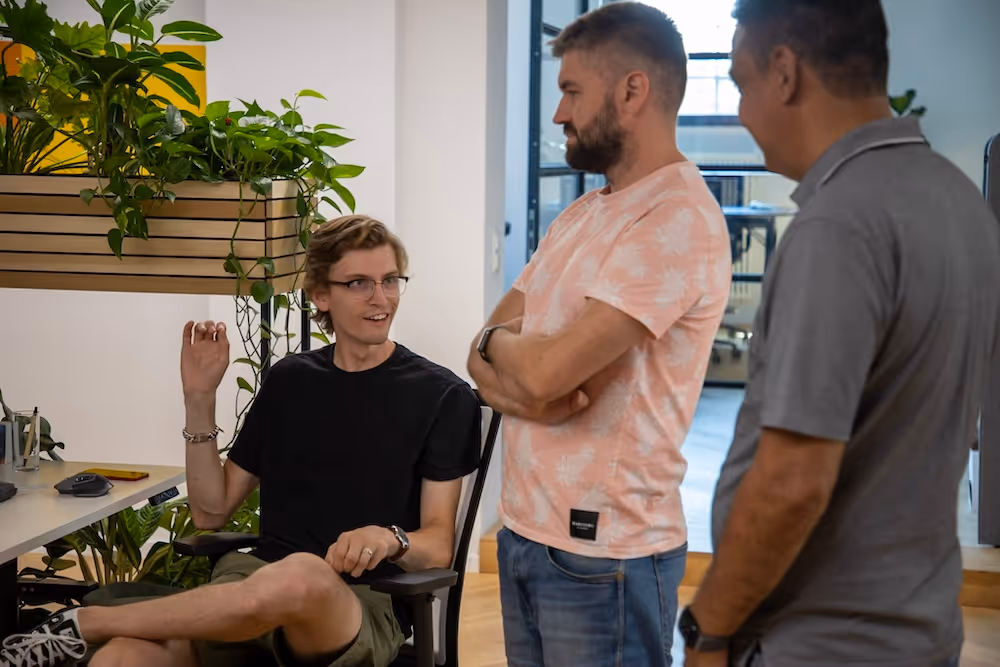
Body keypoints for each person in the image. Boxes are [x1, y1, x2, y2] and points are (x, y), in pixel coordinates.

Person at [1, 215, 482, 667]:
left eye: (391, 280)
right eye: (359, 283)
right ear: (320, 295)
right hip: (247, 591)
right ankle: (94, 633)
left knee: (302, 575)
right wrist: (199, 397)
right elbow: (211, 512)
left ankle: (85, 622)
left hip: (356, 605)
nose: (381, 298)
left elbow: (437, 546)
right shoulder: (291, 380)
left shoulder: (441, 395)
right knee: (122, 657)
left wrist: (390, 538)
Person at [679, 2, 1000, 667]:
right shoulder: (960, 199)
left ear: (786, 72)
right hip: (916, 628)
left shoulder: (840, 224)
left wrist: (707, 628)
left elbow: (793, 480)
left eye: (740, 84)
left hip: (820, 642)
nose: (739, 111)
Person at [468, 3, 731, 665]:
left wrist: (511, 360)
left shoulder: (675, 219)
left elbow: (545, 370)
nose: (558, 115)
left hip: (605, 556)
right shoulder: (584, 214)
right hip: (526, 532)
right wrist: (515, 369)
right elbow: (483, 350)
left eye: (571, 91)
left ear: (632, 91)